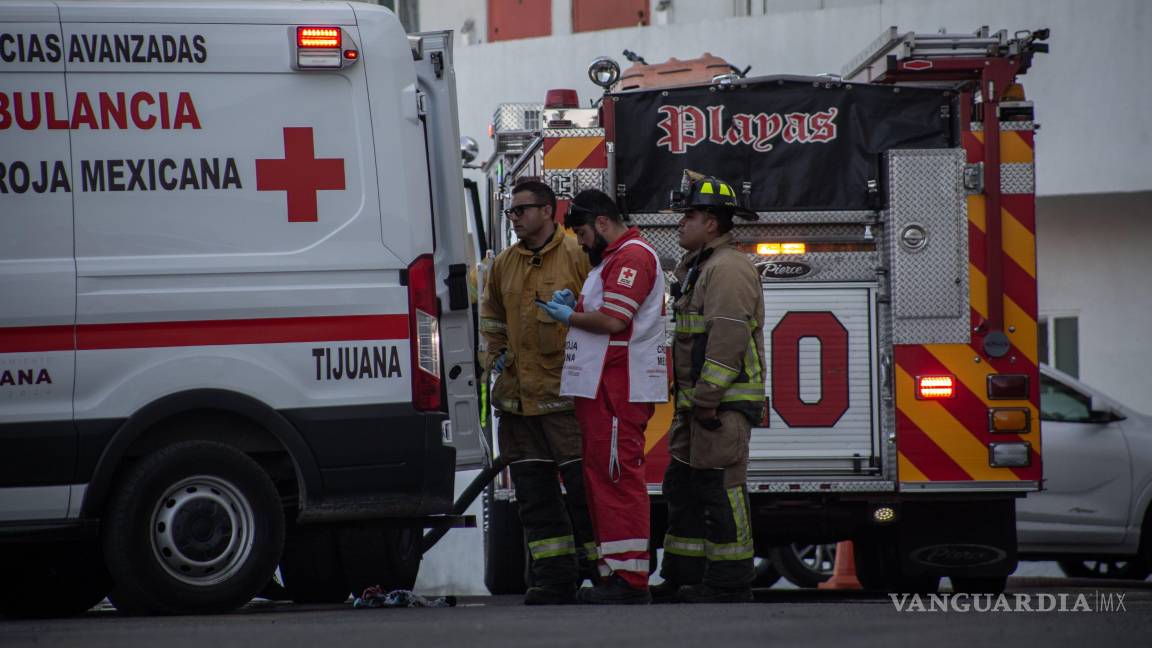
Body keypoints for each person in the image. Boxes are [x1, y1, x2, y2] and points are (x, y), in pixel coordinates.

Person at [537, 189, 666, 605]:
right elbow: (607, 309)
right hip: (604, 388)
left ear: (604, 223)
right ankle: (615, 572)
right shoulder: (613, 259)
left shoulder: (632, 257)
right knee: (603, 478)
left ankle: (629, 579)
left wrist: (569, 316)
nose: (579, 241)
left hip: (618, 388)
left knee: (617, 478)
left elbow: (613, 319)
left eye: (582, 232)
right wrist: (574, 302)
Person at [479, 179, 595, 605]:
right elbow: (491, 317)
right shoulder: (504, 264)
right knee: (534, 497)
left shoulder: (578, 255)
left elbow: (602, 316)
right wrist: (493, 356)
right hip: (518, 403)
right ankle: (554, 578)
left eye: (521, 210)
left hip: (566, 400)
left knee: (585, 494)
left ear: (549, 211)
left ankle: (603, 575)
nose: (515, 219)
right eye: (511, 212)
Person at [653, 172, 764, 604]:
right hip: (697, 409)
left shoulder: (728, 269)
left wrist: (706, 400)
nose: (681, 223)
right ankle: (682, 576)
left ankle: (730, 583)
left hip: (722, 408)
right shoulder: (699, 266)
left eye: (691, 215)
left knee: (722, 492)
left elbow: (727, 339)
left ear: (713, 223)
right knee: (683, 490)